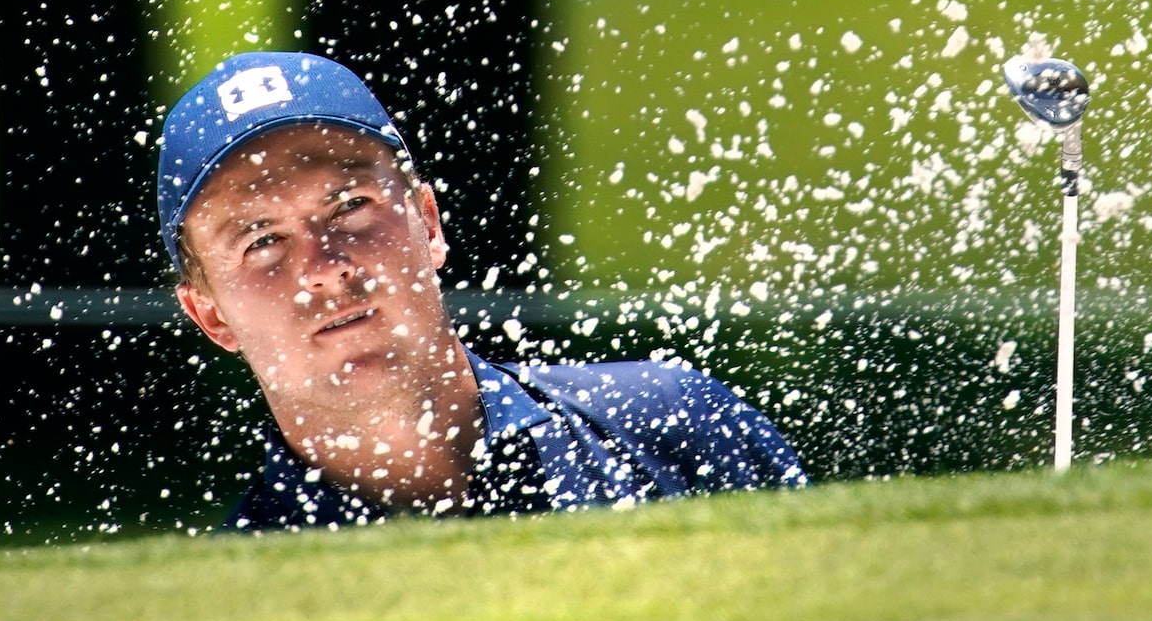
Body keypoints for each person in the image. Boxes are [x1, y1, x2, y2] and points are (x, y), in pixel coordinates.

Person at [159, 50, 804, 529]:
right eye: (262, 242)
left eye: (350, 205)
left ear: (429, 224)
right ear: (211, 316)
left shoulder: (672, 422)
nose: (325, 266)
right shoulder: (247, 588)